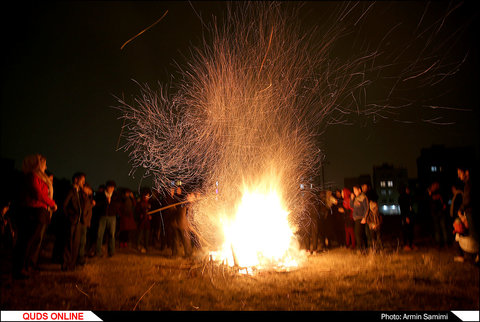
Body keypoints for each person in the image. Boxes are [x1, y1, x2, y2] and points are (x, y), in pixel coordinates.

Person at [13, 154, 57, 279]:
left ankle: (27, 267)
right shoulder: (31, 176)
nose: (46, 166)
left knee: (33, 241)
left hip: (40, 210)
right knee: (27, 241)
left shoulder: (40, 177)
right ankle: (20, 269)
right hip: (33, 210)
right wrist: (52, 203)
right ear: (36, 165)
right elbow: (38, 193)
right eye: (44, 164)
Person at [62, 172, 86, 271]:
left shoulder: (80, 192)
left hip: (79, 222)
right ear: (76, 179)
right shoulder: (70, 191)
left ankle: (72, 265)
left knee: (76, 244)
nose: (83, 182)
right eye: (82, 180)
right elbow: (64, 206)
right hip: (72, 221)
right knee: (68, 243)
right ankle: (65, 264)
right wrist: (69, 217)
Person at [457, 166, 478, 264]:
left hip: (471, 211)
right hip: (469, 211)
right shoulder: (467, 184)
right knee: (474, 234)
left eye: (460, 173)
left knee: (475, 234)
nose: (459, 176)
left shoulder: (470, 184)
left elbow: (467, 199)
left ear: (466, 172)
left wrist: (461, 209)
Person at [95, 180, 119, 258]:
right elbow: (97, 205)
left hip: (112, 217)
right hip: (102, 216)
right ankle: (98, 251)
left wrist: (111, 202)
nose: (111, 189)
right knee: (100, 234)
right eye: (110, 187)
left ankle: (111, 251)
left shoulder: (116, 195)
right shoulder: (100, 195)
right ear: (107, 187)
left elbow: (118, 205)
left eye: (113, 187)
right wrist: (105, 201)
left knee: (112, 234)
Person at [78, 183, 95, 265]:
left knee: (83, 240)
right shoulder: (82, 196)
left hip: (85, 221)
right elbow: (84, 209)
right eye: (88, 189)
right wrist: (91, 204)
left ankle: (80, 256)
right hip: (83, 221)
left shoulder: (86, 197)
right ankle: (80, 257)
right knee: (82, 240)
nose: (89, 191)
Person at [428, 182, 448, 248]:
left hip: (440, 212)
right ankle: (439, 243)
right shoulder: (431, 193)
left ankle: (444, 243)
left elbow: (443, 202)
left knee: (442, 227)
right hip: (435, 213)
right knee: (438, 229)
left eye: (435, 185)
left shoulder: (439, 192)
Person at [350, 185, 368, 253]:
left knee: (358, 234)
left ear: (359, 190)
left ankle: (361, 249)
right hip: (356, 218)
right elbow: (351, 206)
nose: (354, 192)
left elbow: (366, 208)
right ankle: (364, 248)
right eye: (353, 191)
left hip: (361, 218)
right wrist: (351, 199)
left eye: (355, 190)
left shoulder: (363, 197)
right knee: (360, 234)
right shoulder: (356, 198)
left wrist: (364, 217)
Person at [399, 186, 416, 251]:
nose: (408, 191)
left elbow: (410, 205)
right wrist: (405, 217)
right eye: (407, 189)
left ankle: (411, 244)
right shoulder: (402, 198)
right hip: (406, 217)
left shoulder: (409, 197)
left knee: (411, 231)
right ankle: (406, 245)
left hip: (410, 216)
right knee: (406, 231)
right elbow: (403, 209)